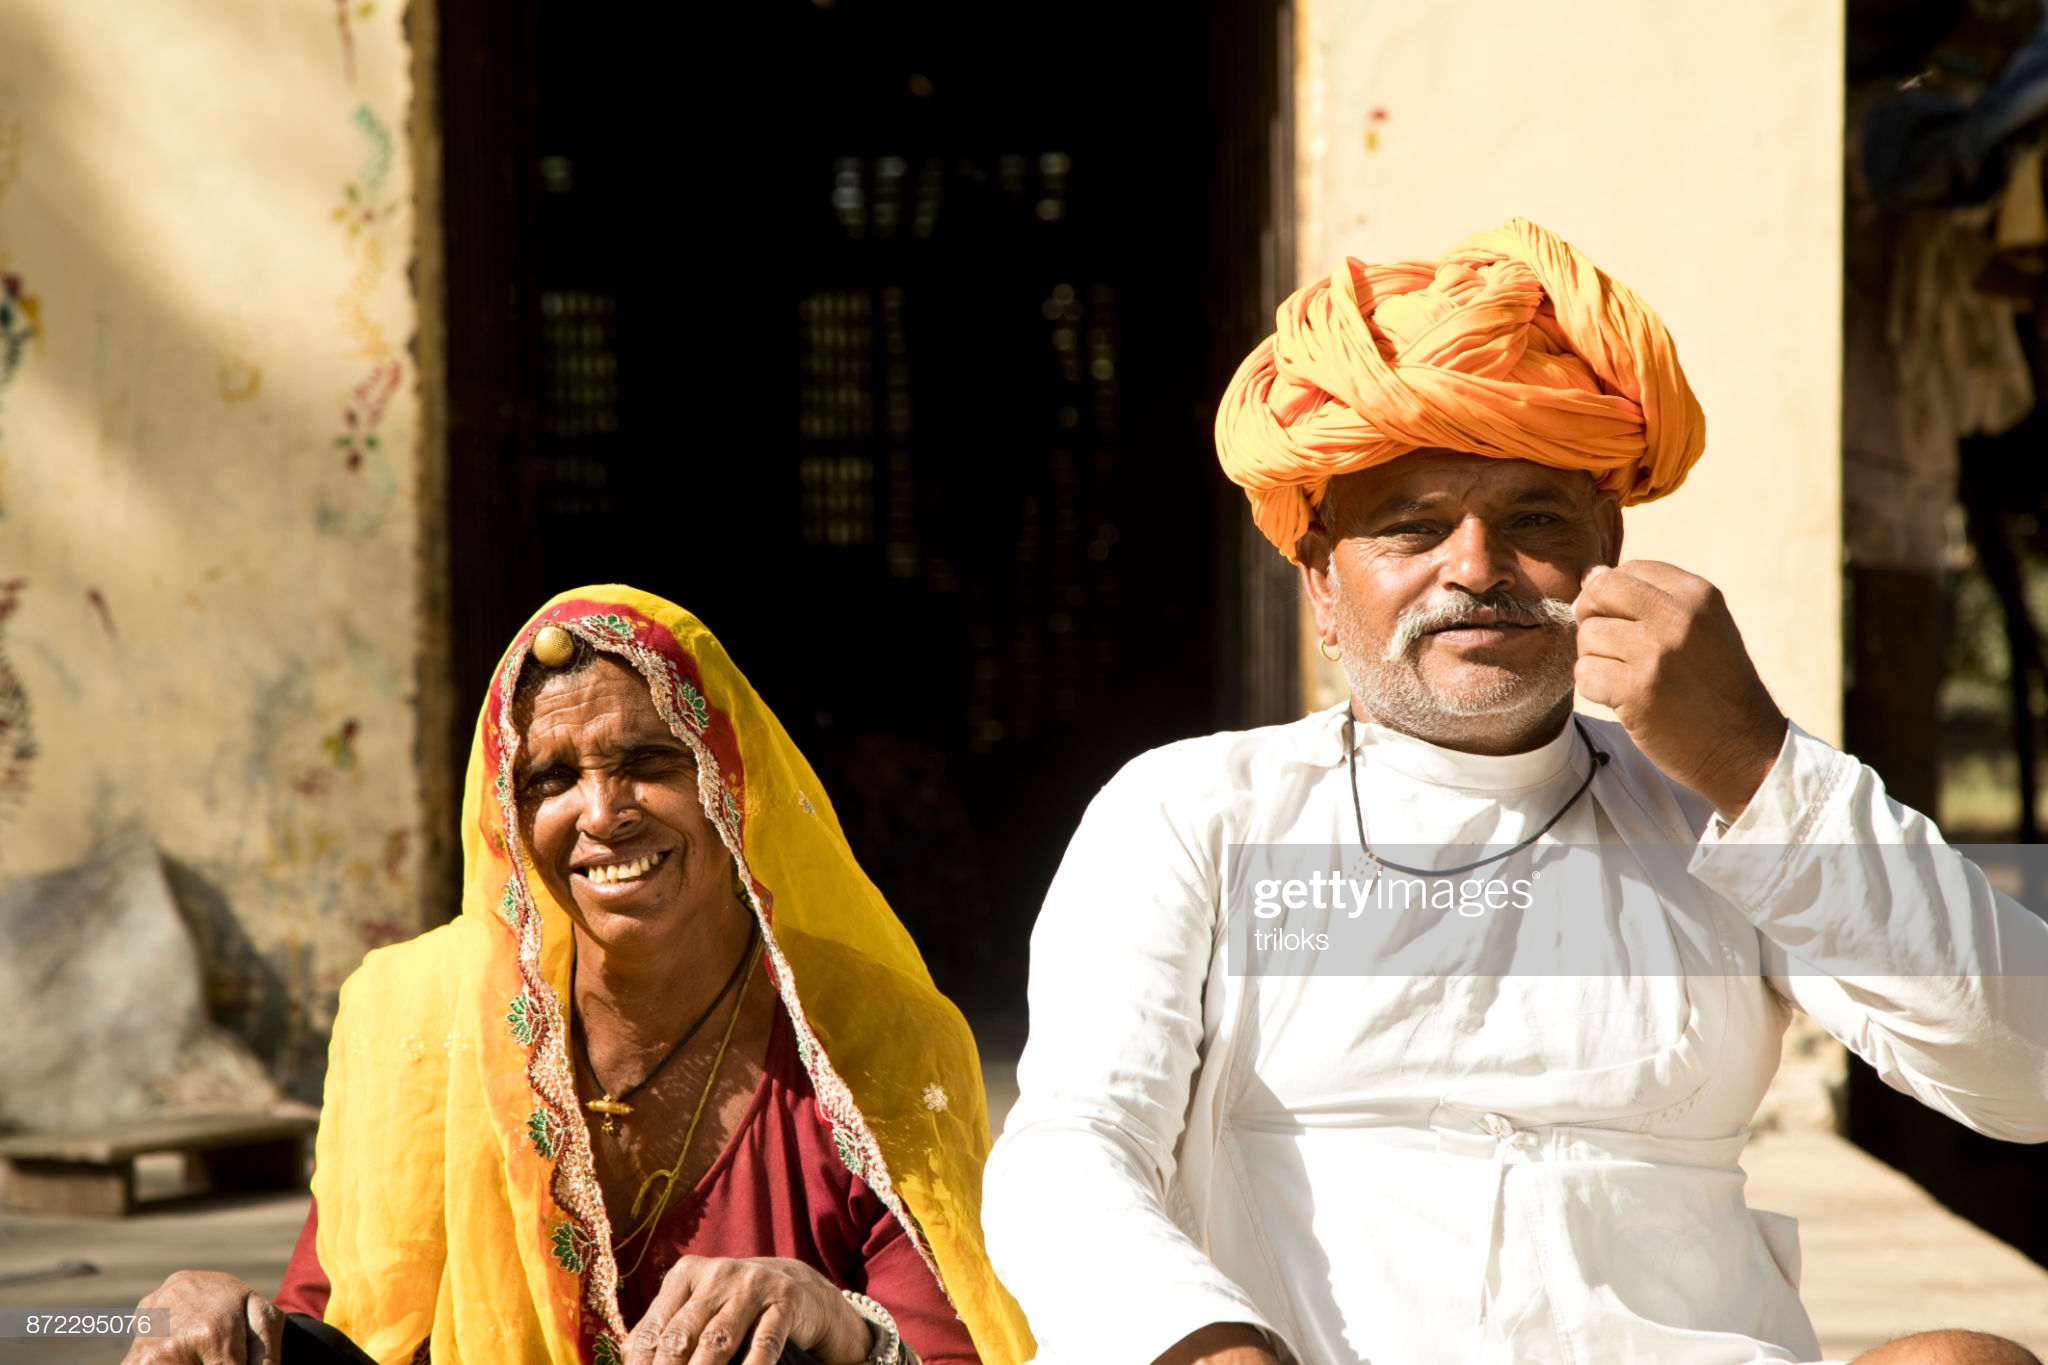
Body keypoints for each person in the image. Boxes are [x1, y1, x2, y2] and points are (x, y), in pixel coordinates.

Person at [981, 220, 2048, 1365]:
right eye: (1412, 526)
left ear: (1608, 547)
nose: (1477, 567)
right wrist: (1204, 1346)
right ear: (1319, 589)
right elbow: (1072, 1149)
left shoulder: (1724, 807)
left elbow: (2022, 1078)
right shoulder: (1196, 811)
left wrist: (1755, 761)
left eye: (1533, 520)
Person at [125, 588, 1033, 1365]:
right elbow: (342, 1323)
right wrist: (217, 1318)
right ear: (509, 821)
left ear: (730, 783)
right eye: (551, 777)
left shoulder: (870, 1039)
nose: (602, 814)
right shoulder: (420, 1018)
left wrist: (831, 1316)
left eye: (648, 761)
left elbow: (962, 1345)